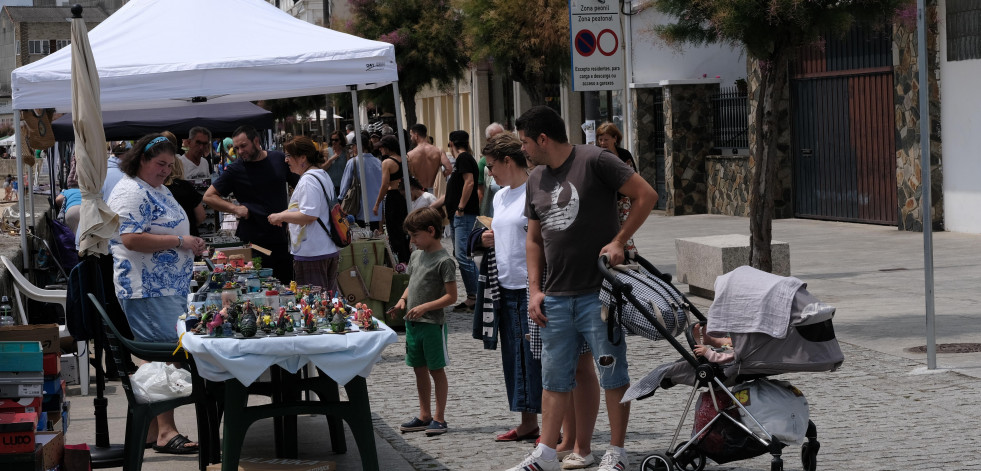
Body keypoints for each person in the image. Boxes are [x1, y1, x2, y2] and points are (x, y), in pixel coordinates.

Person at [507, 106, 658, 471]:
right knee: (555, 377)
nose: (523, 150)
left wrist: (621, 239)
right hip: (556, 296)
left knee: (612, 374)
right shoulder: (536, 178)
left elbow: (646, 195)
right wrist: (534, 290)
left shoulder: (596, 160)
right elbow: (533, 239)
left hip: (599, 294)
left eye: (525, 142)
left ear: (542, 139)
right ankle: (545, 454)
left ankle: (617, 453)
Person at [106, 133, 208, 455]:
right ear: (141, 160)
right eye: (160, 164)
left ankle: (152, 431)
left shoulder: (155, 188)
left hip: (163, 287)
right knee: (164, 356)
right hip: (147, 289)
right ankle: (166, 431)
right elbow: (131, 238)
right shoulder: (130, 191)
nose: (165, 170)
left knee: (157, 356)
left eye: (169, 165)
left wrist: (189, 241)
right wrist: (180, 243)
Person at [474, 133, 544, 443]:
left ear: (507, 160)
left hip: (532, 285)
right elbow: (483, 233)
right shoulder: (500, 196)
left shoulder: (534, 189)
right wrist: (482, 239)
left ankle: (559, 425)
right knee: (515, 357)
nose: (489, 172)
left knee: (540, 357)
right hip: (504, 286)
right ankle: (527, 422)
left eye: (490, 166)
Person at [386, 207, 457, 437]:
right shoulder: (416, 256)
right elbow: (412, 283)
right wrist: (402, 300)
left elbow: (452, 297)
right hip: (413, 324)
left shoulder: (444, 260)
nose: (413, 241)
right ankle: (424, 415)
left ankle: (439, 417)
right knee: (419, 369)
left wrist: (425, 307)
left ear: (431, 230)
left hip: (432, 325)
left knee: (436, 370)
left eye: (416, 235)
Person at [203, 125, 299, 283]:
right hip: (252, 243)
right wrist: (235, 208)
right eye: (236, 148)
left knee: (286, 287)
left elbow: (300, 184)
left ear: (256, 141)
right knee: (254, 291)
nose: (240, 151)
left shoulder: (278, 159)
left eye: (243, 146)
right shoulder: (235, 170)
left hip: (281, 240)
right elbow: (209, 196)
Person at [267, 136, 340, 292]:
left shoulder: (308, 180)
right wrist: (283, 214)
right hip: (324, 249)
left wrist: (281, 217)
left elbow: (309, 215)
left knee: (315, 304)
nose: (286, 160)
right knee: (328, 303)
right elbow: (309, 209)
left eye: (288, 156)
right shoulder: (321, 175)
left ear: (302, 157)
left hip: (313, 253)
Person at [443, 130, 479, 311]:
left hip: (463, 216)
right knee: (461, 255)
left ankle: (479, 295)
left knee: (464, 257)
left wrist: (460, 208)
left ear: (451, 143)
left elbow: (469, 182)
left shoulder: (464, 158)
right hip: (458, 215)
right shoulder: (462, 160)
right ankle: (473, 296)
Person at [595, 122, 638, 259]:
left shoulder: (624, 155)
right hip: (604, 202)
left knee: (625, 235)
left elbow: (633, 176)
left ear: (615, 138)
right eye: (600, 139)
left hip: (622, 201)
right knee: (607, 234)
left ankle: (631, 261)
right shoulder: (597, 155)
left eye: (606, 139)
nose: (602, 143)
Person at [372, 135, 411, 262]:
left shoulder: (387, 162)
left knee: (393, 230)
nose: (380, 149)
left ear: (388, 147)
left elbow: (384, 185)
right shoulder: (405, 159)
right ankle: (406, 257)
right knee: (404, 228)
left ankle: (399, 260)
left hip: (393, 197)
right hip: (404, 196)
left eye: (382, 147)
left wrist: (377, 203)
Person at [161, 131, 206, 238]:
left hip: (168, 243)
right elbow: (201, 216)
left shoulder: (154, 189)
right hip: (189, 240)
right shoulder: (185, 188)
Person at [338, 138, 383, 231]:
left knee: (359, 234)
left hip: (357, 206)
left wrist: (341, 199)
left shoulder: (353, 162)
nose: (352, 149)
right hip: (376, 207)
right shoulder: (378, 162)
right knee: (374, 234)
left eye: (353, 146)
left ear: (359, 146)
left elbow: (345, 185)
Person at [407, 124, 451, 191]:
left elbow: (409, 175)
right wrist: (439, 178)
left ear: (416, 135)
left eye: (411, 135)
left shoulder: (410, 155)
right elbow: (449, 169)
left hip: (420, 191)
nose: (410, 138)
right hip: (436, 189)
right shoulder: (439, 150)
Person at [477, 122, 507, 217]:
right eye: (496, 137)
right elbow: (481, 192)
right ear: (488, 140)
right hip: (493, 216)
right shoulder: (483, 163)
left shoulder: (513, 159)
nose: (500, 140)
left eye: (502, 136)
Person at [323, 130, 348, 195]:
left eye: (336, 140)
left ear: (340, 140)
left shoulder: (345, 153)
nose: (334, 142)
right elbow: (322, 168)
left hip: (343, 186)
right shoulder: (327, 151)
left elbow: (348, 169)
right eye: (332, 140)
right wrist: (330, 160)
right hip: (330, 187)